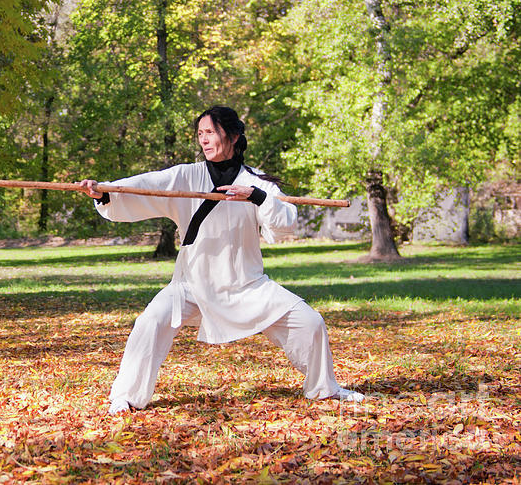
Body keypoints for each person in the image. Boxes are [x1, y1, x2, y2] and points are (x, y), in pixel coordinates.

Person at [78, 106, 364, 415]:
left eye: (210, 132)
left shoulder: (258, 184)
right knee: (150, 323)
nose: (204, 139)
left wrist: (256, 197)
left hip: (246, 284)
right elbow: (146, 187)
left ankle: (324, 389)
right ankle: (127, 396)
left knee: (310, 323)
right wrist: (104, 194)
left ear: (233, 135)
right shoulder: (186, 176)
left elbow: (284, 226)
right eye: (200, 133)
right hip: (191, 286)